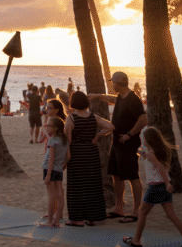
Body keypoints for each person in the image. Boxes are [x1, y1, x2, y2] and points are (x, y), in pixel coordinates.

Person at [123, 127, 182, 247]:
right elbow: (154, 165)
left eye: (144, 139)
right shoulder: (155, 152)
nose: (143, 141)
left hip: (156, 187)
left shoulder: (152, 154)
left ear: (149, 140)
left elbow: (160, 168)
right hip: (162, 186)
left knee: (142, 212)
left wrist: (168, 183)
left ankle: (136, 240)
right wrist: (143, 154)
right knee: (171, 215)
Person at [102, 71, 148, 222]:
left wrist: (129, 134)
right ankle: (119, 208)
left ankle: (136, 211)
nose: (112, 85)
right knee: (116, 175)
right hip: (116, 143)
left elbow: (143, 119)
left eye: (113, 83)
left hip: (127, 144)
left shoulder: (133, 99)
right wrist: (97, 95)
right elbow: (113, 99)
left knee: (132, 176)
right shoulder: (122, 97)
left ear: (118, 83)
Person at [64, 90, 114, 226]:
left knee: (77, 186)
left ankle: (77, 219)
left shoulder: (71, 118)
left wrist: (65, 159)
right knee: (92, 185)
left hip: (77, 154)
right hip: (91, 153)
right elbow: (110, 126)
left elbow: (67, 140)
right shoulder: (93, 117)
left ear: (73, 103)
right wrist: (98, 135)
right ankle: (92, 217)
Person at [39, 116, 69, 228]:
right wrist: (62, 165)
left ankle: (50, 221)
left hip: (49, 168)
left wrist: (48, 175)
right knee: (60, 194)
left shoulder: (52, 141)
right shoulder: (64, 140)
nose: (47, 127)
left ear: (56, 128)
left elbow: (51, 158)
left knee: (51, 195)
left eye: (49, 126)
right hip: (59, 169)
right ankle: (56, 220)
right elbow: (68, 156)